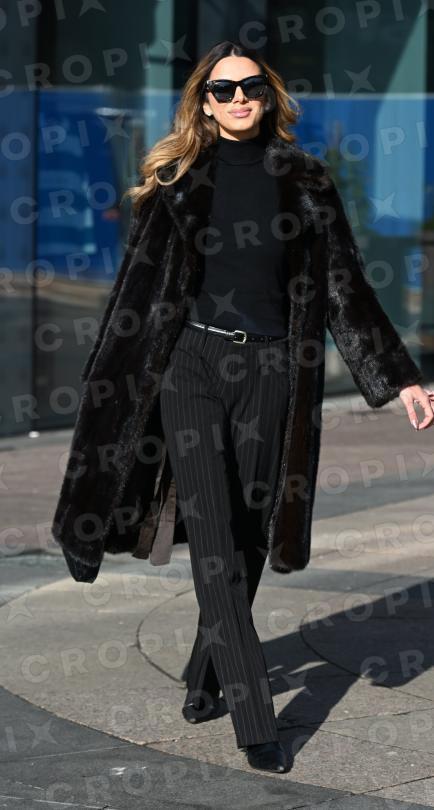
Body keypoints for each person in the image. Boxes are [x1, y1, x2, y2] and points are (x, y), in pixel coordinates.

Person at [52, 40, 434, 775]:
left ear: (269, 94)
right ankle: (256, 717)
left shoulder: (305, 180)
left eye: (250, 87)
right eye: (222, 90)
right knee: (215, 537)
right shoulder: (176, 179)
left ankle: (206, 673)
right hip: (190, 366)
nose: (237, 100)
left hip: (272, 370)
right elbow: (135, 294)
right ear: (202, 101)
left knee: (254, 529)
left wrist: (401, 379)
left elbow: (344, 286)